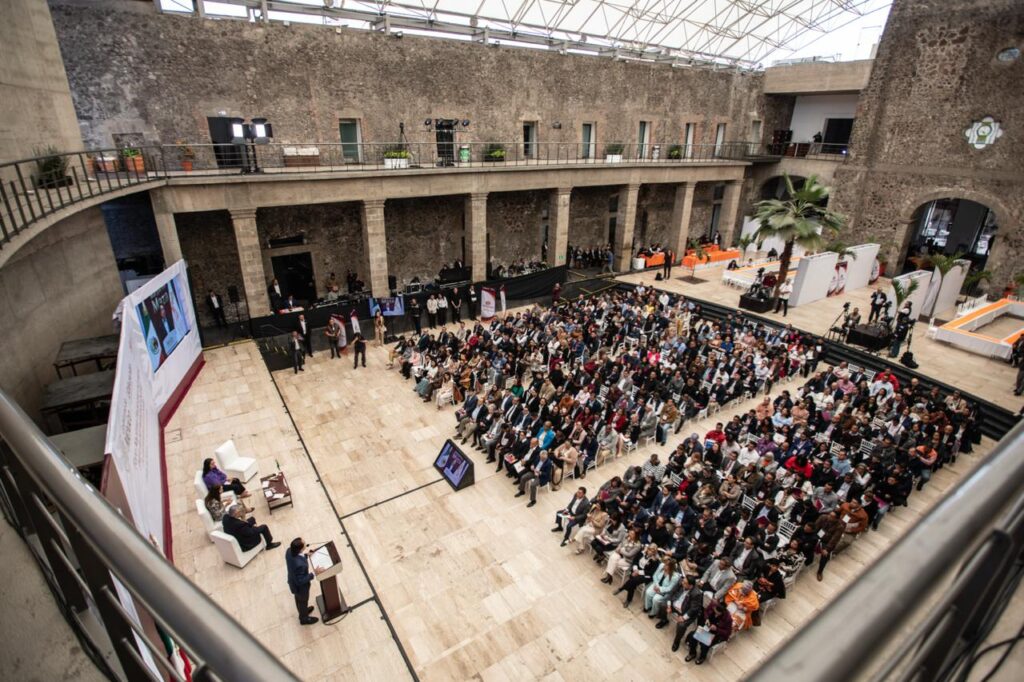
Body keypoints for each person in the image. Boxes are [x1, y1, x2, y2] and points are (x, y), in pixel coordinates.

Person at [285, 538, 321, 625]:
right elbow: (301, 580)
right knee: (303, 600)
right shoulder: (299, 565)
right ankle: (304, 619)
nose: (306, 544)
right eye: (304, 544)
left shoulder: (289, 551)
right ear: (300, 549)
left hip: (292, 581)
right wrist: (314, 573)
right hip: (300, 587)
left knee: (299, 600)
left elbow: (298, 557)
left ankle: (303, 610)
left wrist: (307, 555)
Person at [686, 599, 733, 665]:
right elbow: (706, 611)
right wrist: (707, 618)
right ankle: (692, 653)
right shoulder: (713, 605)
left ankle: (702, 657)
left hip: (716, 634)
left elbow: (728, 633)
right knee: (694, 636)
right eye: (715, 611)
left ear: (722, 612)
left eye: (717, 613)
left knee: (704, 644)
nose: (716, 614)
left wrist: (717, 629)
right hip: (706, 627)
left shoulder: (728, 619)